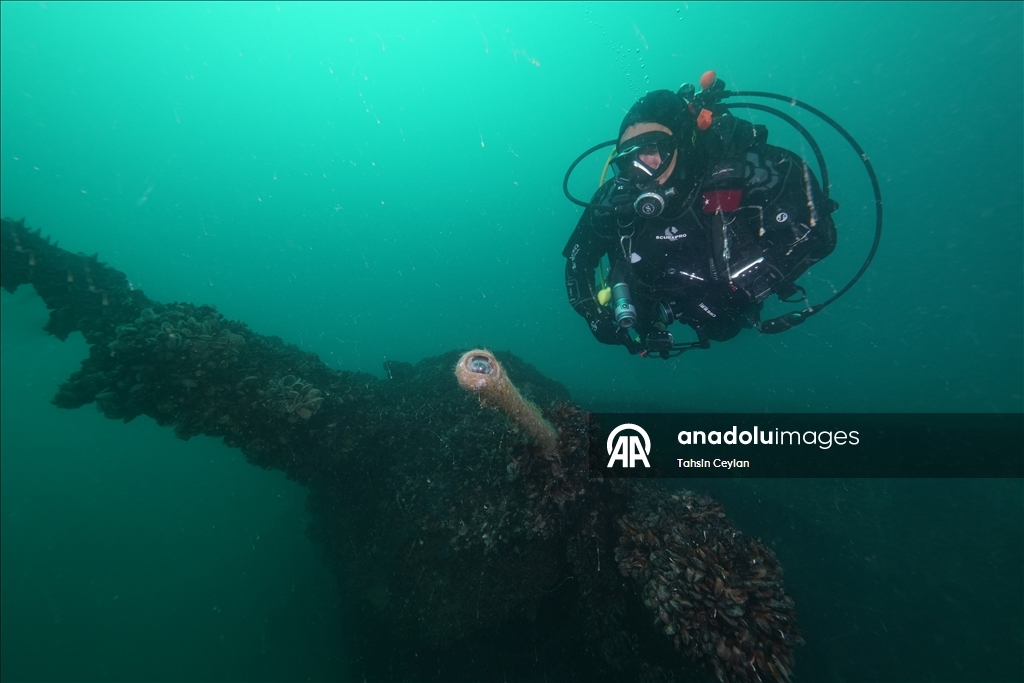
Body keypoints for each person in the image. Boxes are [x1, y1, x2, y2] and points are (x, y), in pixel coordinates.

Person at [563, 81, 838, 358]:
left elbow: (817, 232)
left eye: (651, 153)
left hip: (728, 301)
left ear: (681, 143)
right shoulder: (615, 197)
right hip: (651, 301)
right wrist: (593, 314)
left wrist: (744, 288)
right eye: (628, 160)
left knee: (725, 328)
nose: (639, 172)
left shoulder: (745, 173)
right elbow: (578, 260)